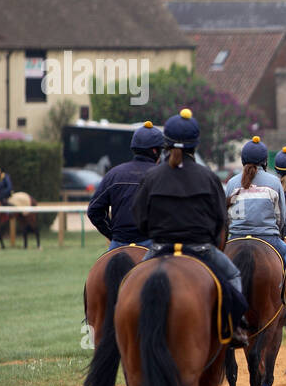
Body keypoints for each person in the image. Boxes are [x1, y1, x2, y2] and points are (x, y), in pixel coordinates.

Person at [134, 108, 250, 347]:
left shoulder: (152, 177)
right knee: (234, 275)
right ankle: (235, 326)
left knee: (130, 283)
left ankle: (120, 331)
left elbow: (140, 219)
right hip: (200, 249)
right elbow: (220, 220)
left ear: (165, 145)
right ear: (195, 145)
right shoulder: (208, 177)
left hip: (159, 248)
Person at [86, 120, 163, 249]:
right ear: (155, 151)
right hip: (152, 245)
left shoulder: (114, 174)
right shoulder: (163, 176)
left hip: (119, 243)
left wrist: (113, 235)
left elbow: (94, 210)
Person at [225, 136, 286, 267]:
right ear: (265, 161)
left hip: (236, 237)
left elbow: (226, 215)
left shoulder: (231, 183)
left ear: (243, 159)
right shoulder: (274, 182)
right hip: (267, 238)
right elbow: (281, 218)